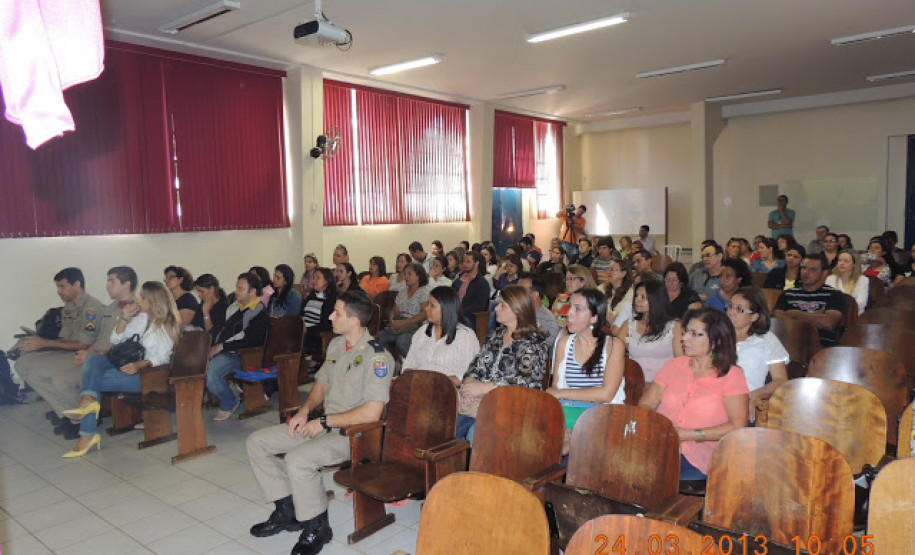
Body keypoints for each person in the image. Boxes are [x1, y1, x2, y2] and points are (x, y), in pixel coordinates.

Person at [245, 292, 393, 555]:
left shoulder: (377, 357)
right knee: (257, 442)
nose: (330, 316)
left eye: (337, 313)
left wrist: (324, 422)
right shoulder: (336, 345)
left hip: (355, 434)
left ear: (354, 320)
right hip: (324, 424)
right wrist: (304, 411)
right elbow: (322, 383)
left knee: (298, 460)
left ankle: (318, 527)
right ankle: (288, 511)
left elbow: (372, 413)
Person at [61, 281, 181, 457]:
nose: (138, 300)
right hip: (125, 364)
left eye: (143, 297)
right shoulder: (142, 318)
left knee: (93, 381)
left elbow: (162, 358)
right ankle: (87, 405)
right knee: (93, 359)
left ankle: (87, 433)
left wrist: (140, 365)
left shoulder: (166, 324)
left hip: (148, 376)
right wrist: (124, 317)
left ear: (154, 300)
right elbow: (115, 340)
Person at [639, 308, 749, 480]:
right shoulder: (674, 366)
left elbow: (737, 426)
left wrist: (689, 434)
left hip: (701, 454)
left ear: (716, 341)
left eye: (695, 334)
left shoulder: (732, 375)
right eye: (686, 332)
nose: (684, 338)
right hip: (661, 444)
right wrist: (657, 427)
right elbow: (646, 404)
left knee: (655, 477)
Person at [14, 267, 122, 431]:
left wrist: (44, 343)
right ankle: (63, 412)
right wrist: (35, 344)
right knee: (23, 365)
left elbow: (83, 345)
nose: (59, 291)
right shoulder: (68, 308)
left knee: (57, 378)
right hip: (68, 353)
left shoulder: (91, 309)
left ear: (77, 284)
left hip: (86, 355)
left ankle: (81, 419)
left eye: (62, 286)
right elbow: (64, 340)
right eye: (58, 287)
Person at [457, 285, 549, 442]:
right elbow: (476, 365)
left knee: (477, 434)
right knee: (448, 425)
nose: (496, 308)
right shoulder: (497, 335)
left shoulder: (534, 342)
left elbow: (523, 383)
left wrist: (483, 388)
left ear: (517, 310)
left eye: (502, 305)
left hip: (513, 408)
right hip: (482, 403)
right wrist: (469, 386)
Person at [546, 288, 625, 453]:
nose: (569, 313)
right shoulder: (564, 343)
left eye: (578, 309)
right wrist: (560, 396)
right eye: (570, 307)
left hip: (602, 413)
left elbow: (606, 394)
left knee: (573, 439)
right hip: (571, 411)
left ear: (594, 317)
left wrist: (563, 394)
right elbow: (556, 389)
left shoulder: (613, 346)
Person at [206, 273, 271, 420]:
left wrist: (221, 347)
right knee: (196, 364)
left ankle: (230, 401)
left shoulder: (259, 313)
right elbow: (220, 329)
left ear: (252, 291)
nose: (236, 291)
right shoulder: (234, 307)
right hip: (224, 350)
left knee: (210, 372)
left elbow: (250, 341)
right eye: (237, 287)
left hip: (240, 355)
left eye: (240, 288)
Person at [727, 287, 789, 424]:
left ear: (754, 316)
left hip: (745, 402)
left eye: (739, 309)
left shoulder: (766, 340)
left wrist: (754, 395)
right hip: (714, 400)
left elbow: (780, 380)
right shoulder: (717, 336)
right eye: (730, 306)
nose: (731, 312)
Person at [402, 286, 480, 387]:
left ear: (446, 308)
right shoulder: (422, 332)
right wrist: (412, 377)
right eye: (427, 304)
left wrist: (434, 382)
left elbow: (468, 375)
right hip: (419, 386)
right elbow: (409, 363)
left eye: (432, 305)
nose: (426, 308)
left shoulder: (465, 336)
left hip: (448, 389)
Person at [773, 253, 847, 348]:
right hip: (789, 342)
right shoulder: (788, 294)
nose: (806, 272)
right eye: (804, 268)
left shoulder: (834, 295)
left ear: (824, 273)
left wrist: (796, 314)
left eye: (812, 269)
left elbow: (828, 323)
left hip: (820, 346)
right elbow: (777, 319)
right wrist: (816, 316)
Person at [618, 279, 683, 382]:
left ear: (656, 300)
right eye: (636, 296)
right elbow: (615, 353)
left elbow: (680, 361)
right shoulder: (628, 325)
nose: (637, 300)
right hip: (635, 383)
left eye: (643, 297)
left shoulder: (675, 326)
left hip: (664, 383)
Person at [376, 263, 430, 357]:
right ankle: (387, 362)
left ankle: (411, 363)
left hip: (415, 326)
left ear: (418, 276)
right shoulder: (403, 291)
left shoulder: (424, 291)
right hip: (399, 323)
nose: (406, 277)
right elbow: (394, 311)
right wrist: (392, 322)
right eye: (405, 274)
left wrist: (404, 323)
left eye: (409, 274)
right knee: (380, 338)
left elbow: (424, 314)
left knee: (402, 341)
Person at [518, 272, 561, 347]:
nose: (516, 294)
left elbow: (543, 350)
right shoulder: (515, 312)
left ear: (535, 295)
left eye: (521, 291)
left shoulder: (549, 323)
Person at [302, 268, 337, 358]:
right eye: (313, 277)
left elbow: (327, 323)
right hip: (304, 330)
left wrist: (307, 329)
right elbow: (302, 313)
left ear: (327, 281)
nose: (314, 280)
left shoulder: (332, 298)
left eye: (318, 278)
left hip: (319, 334)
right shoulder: (311, 296)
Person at [452, 251, 490, 328]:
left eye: (468, 262)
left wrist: (459, 312)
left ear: (476, 263)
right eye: (464, 261)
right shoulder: (459, 279)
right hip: (455, 312)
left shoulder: (481, 283)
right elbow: (451, 295)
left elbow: (479, 307)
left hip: (470, 317)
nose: (465, 264)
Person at [826, 249, 868, 315]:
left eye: (846, 261)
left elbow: (861, 303)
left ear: (854, 264)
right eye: (840, 260)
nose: (842, 263)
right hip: (834, 316)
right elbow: (827, 301)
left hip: (855, 316)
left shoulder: (862, 280)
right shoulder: (830, 279)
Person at [194, 273, 229, 341]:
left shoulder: (223, 307)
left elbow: (212, 335)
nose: (199, 295)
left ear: (212, 289)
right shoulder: (203, 303)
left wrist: (206, 313)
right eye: (198, 292)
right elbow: (195, 324)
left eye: (202, 291)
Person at [605, 258, 634, 326]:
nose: (609, 272)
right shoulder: (603, 287)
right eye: (609, 269)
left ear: (623, 273)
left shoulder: (630, 292)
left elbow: (612, 318)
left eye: (613, 269)